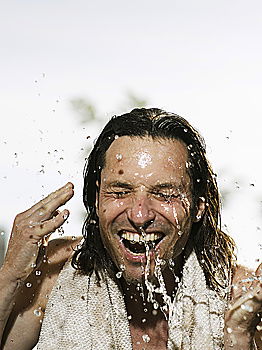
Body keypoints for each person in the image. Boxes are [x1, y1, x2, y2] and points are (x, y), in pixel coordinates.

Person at [0, 108, 261, 350]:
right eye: (120, 191)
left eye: (164, 194)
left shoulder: (240, 295)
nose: (139, 214)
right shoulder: (53, 273)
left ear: (197, 208)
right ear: (96, 198)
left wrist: (238, 336)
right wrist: (10, 273)